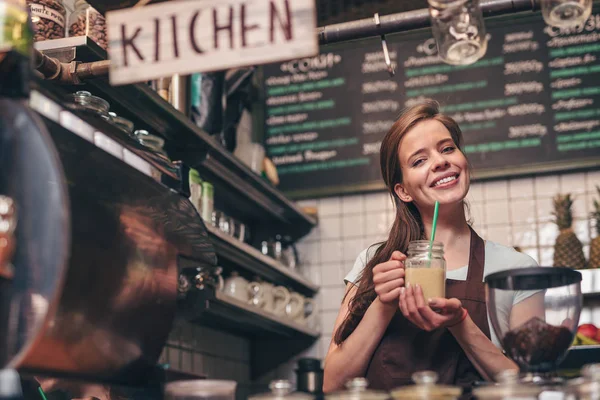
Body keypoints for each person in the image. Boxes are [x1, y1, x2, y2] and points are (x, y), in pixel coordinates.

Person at [323, 101, 544, 393]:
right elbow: (333, 384)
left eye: (447, 148)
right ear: (402, 191)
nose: (440, 161)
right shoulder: (373, 263)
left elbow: (529, 388)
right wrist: (384, 304)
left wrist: (460, 324)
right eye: (419, 161)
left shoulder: (517, 270)